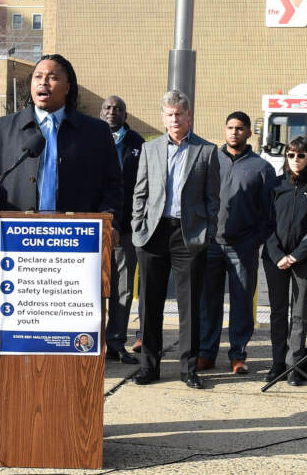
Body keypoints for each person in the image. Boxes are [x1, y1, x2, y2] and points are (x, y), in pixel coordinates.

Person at [0, 54, 123, 235]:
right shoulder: (1, 128)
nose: (43, 82)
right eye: (38, 76)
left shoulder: (96, 132)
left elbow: (113, 185)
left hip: (76, 239)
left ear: (67, 88)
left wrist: (109, 222)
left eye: (52, 77)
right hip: (17, 237)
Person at [131, 90, 220, 390]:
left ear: (189, 116)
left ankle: (188, 369)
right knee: (150, 305)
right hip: (153, 234)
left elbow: (213, 199)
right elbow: (140, 193)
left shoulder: (206, 152)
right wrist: (137, 228)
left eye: (179, 114)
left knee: (189, 306)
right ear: (163, 118)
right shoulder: (150, 149)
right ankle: (149, 367)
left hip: (188, 236)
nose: (174, 119)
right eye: (169, 114)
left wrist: (207, 232)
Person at [198, 112, 276, 374]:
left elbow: (269, 213)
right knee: (208, 302)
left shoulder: (262, 168)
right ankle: (206, 353)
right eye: (230, 127)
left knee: (242, 303)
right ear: (224, 130)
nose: (234, 132)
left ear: (248, 133)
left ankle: (238, 354)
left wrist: (254, 241)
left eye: (240, 128)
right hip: (211, 245)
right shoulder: (210, 160)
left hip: (243, 247)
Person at [262, 136, 307, 386]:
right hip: (274, 259)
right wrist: (279, 255)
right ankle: (278, 363)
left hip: (304, 260)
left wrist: (296, 255)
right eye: (291, 155)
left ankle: (294, 366)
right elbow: (265, 224)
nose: (295, 160)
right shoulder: (275, 185)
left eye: (301, 155)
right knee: (278, 313)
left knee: (299, 315)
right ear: (286, 157)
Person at [100, 95, 144, 364]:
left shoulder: (137, 144)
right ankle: (88, 341)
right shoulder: (89, 138)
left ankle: (115, 342)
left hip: (126, 228)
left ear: (125, 115)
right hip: (94, 227)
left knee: (123, 289)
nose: (112, 112)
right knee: (90, 288)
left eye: (118, 109)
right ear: (100, 111)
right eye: (107, 107)